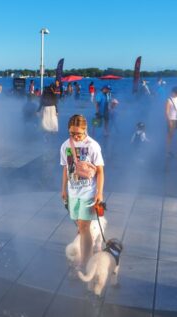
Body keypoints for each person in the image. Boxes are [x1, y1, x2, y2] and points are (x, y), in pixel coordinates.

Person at [60, 114, 105, 270]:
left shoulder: (93, 146)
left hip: (88, 194)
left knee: (84, 228)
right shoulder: (65, 146)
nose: (75, 136)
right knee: (80, 227)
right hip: (73, 194)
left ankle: (85, 262)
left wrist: (99, 193)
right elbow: (66, 169)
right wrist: (63, 189)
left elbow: (100, 171)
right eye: (71, 133)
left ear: (85, 130)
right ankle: (90, 248)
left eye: (78, 133)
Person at [165, 87, 177, 157]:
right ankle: (168, 152)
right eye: (175, 92)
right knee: (170, 137)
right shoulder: (169, 100)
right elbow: (166, 112)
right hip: (172, 120)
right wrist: (169, 121)